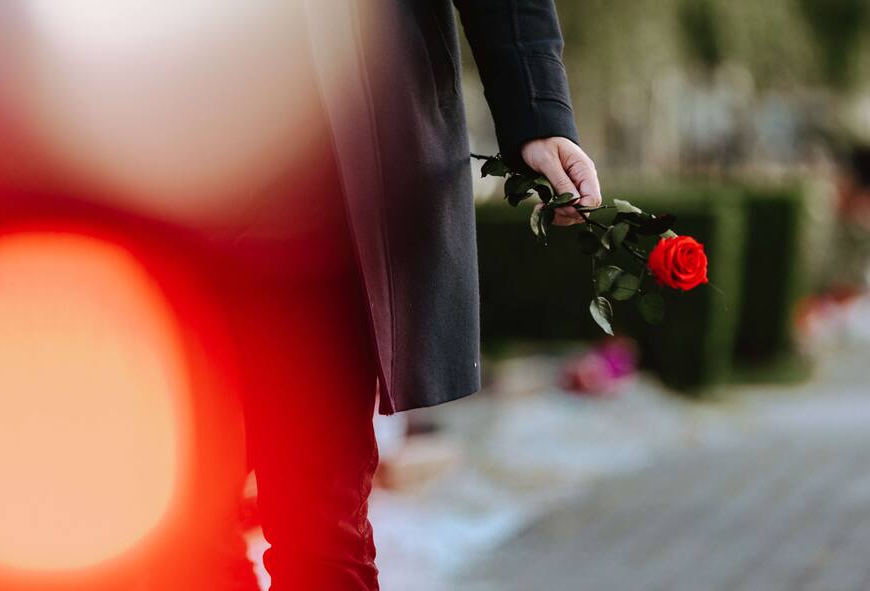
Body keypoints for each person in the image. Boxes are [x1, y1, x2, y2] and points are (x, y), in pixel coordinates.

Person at [227, 1, 603, 590]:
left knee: (316, 526)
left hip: (324, 174)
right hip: (120, 143)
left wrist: (537, 114)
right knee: (166, 515)